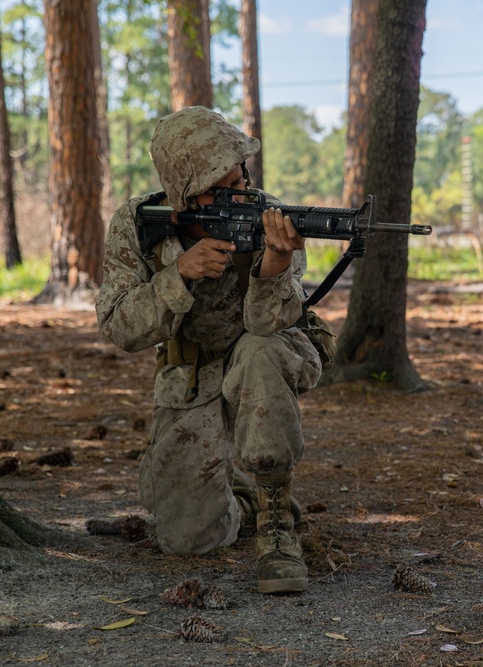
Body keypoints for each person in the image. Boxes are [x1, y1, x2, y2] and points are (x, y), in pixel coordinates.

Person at [96, 106, 322, 595]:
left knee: (261, 351)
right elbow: (118, 326)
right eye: (219, 189)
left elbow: (271, 323)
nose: (238, 193)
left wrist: (276, 261)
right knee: (188, 539)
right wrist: (179, 276)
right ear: (183, 196)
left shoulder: (271, 216)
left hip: (261, 357)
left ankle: (277, 524)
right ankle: (242, 500)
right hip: (190, 374)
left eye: (240, 179)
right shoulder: (139, 225)